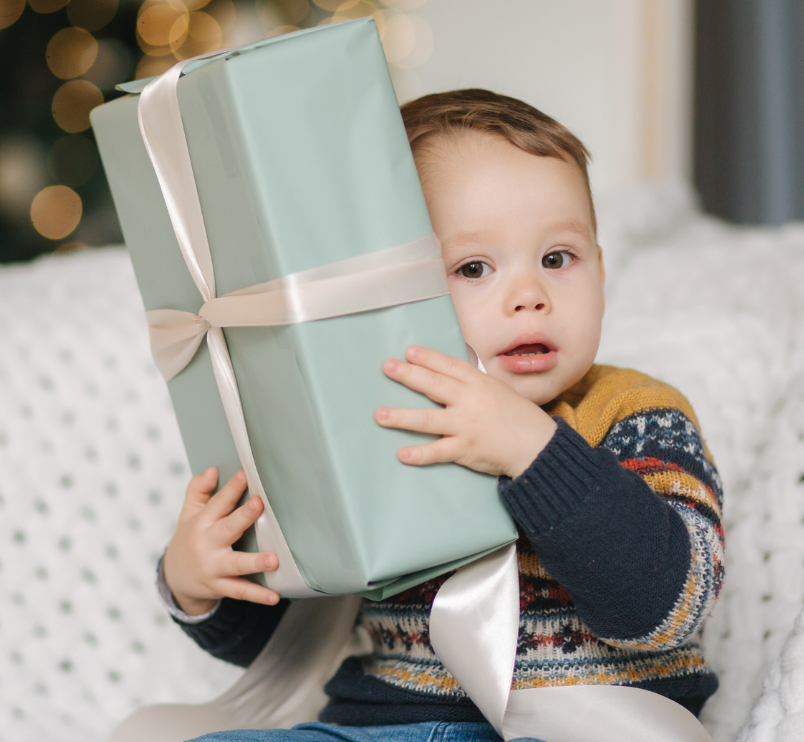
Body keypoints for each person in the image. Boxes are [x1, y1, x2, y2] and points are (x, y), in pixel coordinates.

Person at [158, 89, 725, 742]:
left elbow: (668, 604)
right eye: (474, 267)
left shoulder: (636, 412)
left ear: (600, 269)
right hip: (383, 726)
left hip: (588, 727)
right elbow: (294, 642)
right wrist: (202, 584)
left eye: (557, 259)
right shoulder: (377, 422)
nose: (529, 296)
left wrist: (532, 450)